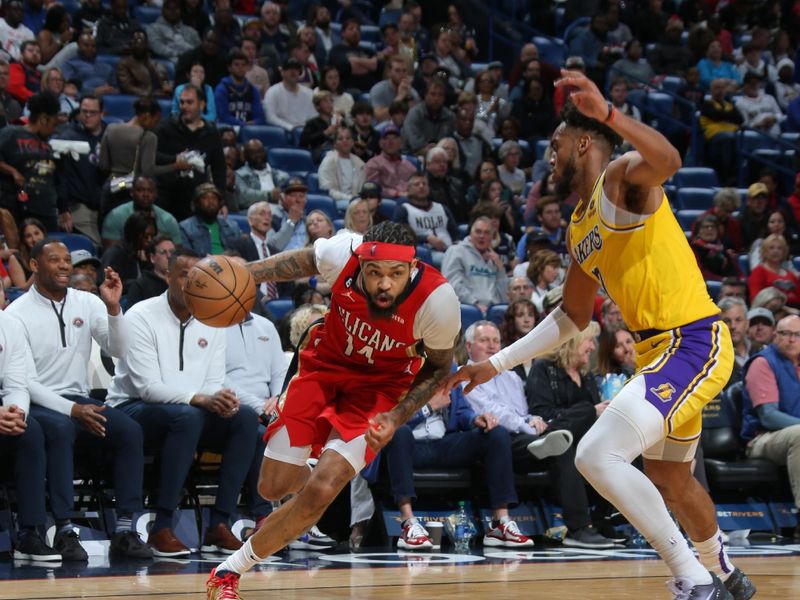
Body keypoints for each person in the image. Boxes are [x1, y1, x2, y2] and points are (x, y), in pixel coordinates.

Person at [448, 72, 754, 599]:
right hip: (659, 355)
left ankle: (695, 579)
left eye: (556, 144)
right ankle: (727, 573)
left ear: (583, 142)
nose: (548, 155)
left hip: (693, 341)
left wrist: (610, 113)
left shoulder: (621, 178)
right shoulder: (580, 223)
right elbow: (570, 316)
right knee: (670, 479)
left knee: (596, 455)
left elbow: (670, 162)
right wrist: (494, 364)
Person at [205, 221, 461, 598]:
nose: (384, 284)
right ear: (360, 262)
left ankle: (229, 571)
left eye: (395, 274)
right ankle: (317, 472)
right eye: (374, 273)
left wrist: (396, 416)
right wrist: (242, 273)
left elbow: (439, 367)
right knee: (272, 485)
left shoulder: (437, 302)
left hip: (379, 392)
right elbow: (303, 261)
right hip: (322, 369)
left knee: (320, 491)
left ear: (412, 267)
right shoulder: (342, 252)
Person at [106, 249, 258, 558]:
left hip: (191, 411)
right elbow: (148, 388)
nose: (193, 282)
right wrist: (201, 398)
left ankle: (219, 524)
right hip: (132, 409)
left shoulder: (213, 318)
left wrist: (221, 399)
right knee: (187, 417)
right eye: (186, 275)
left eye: (200, 276)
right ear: (168, 276)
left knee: (245, 418)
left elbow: (214, 381)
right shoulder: (141, 315)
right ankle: (162, 526)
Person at [7, 239, 151, 561]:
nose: (63, 266)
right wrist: (72, 409)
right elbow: (25, 382)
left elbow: (119, 350)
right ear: (34, 265)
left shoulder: (87, 302)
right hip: (41, 401)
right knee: (60, 430)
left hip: (80, 398)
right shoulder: (16, 314)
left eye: (67, 260)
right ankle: (64, 529)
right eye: (54, 259)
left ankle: (126, 529)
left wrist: (114, 310)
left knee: (129, 431)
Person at [462, 320, 612, 549]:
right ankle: (547, 439)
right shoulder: (466, 375)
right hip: (494, 439)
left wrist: (533, 420)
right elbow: (492, 412)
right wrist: (529, 426)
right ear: (468, 346)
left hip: (525, 437)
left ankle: (579, 529)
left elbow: (524, 412)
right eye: (484, 341)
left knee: (561, 447)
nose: (492, 346)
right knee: (562, 427)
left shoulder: (511, 377)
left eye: (496, 341)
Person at [383, 381, 532, 551]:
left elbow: (461, 411)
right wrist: (429, 408)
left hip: (445, 442)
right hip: (411, 446)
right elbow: (390, 420)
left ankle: (500, 523)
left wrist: (475, 418)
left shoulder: (450, 371)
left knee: (496, 434)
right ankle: (407, 522)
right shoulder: (401, 372)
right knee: (399, 433)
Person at [741, 314, 800, 526]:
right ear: (775, 335)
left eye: (797, 335)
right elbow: (769, 416)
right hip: (762, 438)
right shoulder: (764, 363)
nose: (792, 339)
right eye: (786, 334)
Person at [154, 84, 226, 221]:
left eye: (189, 102)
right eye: (182, 102)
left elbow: (219, 170)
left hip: (197, 202)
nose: (184, 106)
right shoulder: (166, 127)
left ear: (202, 104)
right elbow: (152, 156)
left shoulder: (211, 133)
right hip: (167, 200)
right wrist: (175, 160)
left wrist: (220, 200)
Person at [0, 91, 59, 229]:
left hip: (45, 210)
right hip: (15, 207)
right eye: (53, 124)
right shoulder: (11, 133)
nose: (53, 130)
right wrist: (13, 171)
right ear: (44, 119)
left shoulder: (47, 145)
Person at [53, 94, 105, 245]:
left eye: (92, 112)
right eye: (84, 111)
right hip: (79, 206)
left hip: (105, 205)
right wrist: (63, 208)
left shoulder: (109, 134)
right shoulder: (68, 136)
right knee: (95, 246)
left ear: (102, 113)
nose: (87, 116)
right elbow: (60, 175)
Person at [441, 216, 508, 313]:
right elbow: (452, 284)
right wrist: (474, 304)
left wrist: (501, 269)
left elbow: (504, 295)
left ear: (492, 237)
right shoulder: (456, 251)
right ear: (470, 234)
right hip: (467, 308)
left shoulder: (494, 259)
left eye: (486, 233)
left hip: (492, 311)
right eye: (478, 232)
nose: (482, 236)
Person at [393, 172, 459, 268]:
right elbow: (398, 235)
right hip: (426, 252)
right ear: (409, 190)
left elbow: (455, 234)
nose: (421, 186)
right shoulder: (403, 210)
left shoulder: (441, 208)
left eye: (424, 184)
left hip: (450, 249)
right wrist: (426, 238)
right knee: (447, 261)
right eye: (417, 184)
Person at [102, 175, 182, 249]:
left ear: (155, 194)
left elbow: (177, 255)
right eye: (140, 190)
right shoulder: (115, 217)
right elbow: (110, 254)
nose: (145, 194)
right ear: (131, 192)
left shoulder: (168, 220)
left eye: (150, 191)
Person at [179, 183, 242, 256]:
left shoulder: (232, 226)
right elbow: (187, 259)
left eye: (214, 198)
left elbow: (241, 252)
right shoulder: (185, 228)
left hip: (231, 264)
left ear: (220, 203)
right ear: (197, 203)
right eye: (205, 198)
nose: (211, 201)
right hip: (203, 266)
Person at [102, 212, 156, 291]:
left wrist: (146, 264)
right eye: (146, 236)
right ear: (134, 234)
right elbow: (109, 283)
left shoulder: (150, 253)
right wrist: (139, 283)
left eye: (152, 236)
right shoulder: (115, 254)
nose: (150, 240)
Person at [318, 128, 366, 212]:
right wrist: (351, 198)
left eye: (348, 138)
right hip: (337, 202)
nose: (345, 141)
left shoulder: (360, 163)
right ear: (334, 144)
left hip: (357, 201)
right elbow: (328, 190)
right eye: (340, 139)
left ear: (352, 142)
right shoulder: (328, 162)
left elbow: (362, 189)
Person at [363, 125, 417, 199]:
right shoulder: (373, 164)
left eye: (394, 138)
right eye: (386, 138)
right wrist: (397, 193)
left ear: (400, 142)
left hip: (410, 199)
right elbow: (373, 189)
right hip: (387, 201)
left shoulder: (408, 165)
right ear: (380, 143)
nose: (390, 142)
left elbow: (417, 182)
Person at [215, 48, 266, 127]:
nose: (240, 68)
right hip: (228, 129)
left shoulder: (252, 90)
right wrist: (242, 124)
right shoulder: (222, 89)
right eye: (236, 64)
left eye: (243, 65)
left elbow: (260, 117)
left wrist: (254, 123)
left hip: (250, 131)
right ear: (230, 68)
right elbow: (223, 116)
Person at [263, 57, 316, 132]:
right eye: (289, 69)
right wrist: (291, 127)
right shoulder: (272, 91)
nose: (293, 72)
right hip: (283, 132)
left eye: (296, 69)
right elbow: (270, 117)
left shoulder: (309, 93)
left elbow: (314, 116)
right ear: (282, 72)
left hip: (305, 132)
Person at [233, 139, 289, 211]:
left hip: (281, 214)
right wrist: (270, 195)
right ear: (245, 156)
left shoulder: (282, 176)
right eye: (253, 153)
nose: (258, 155)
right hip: (255, 216)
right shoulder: (239, 174)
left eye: (260, 151)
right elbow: (244, 197)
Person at [124, 234, 173, 308]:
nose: (169, 256)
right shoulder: (140, 286)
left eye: (172, 251)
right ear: (152, 258)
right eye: (163, 252)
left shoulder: (182, 282)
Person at [7, 217, 45, 290]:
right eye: (28, 236)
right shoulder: (15, 258)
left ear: (43, 233)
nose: (34, 239)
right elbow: (22, 289)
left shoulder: (52, 250)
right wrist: (39, 267)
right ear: (23, 240)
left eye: (37, 233)